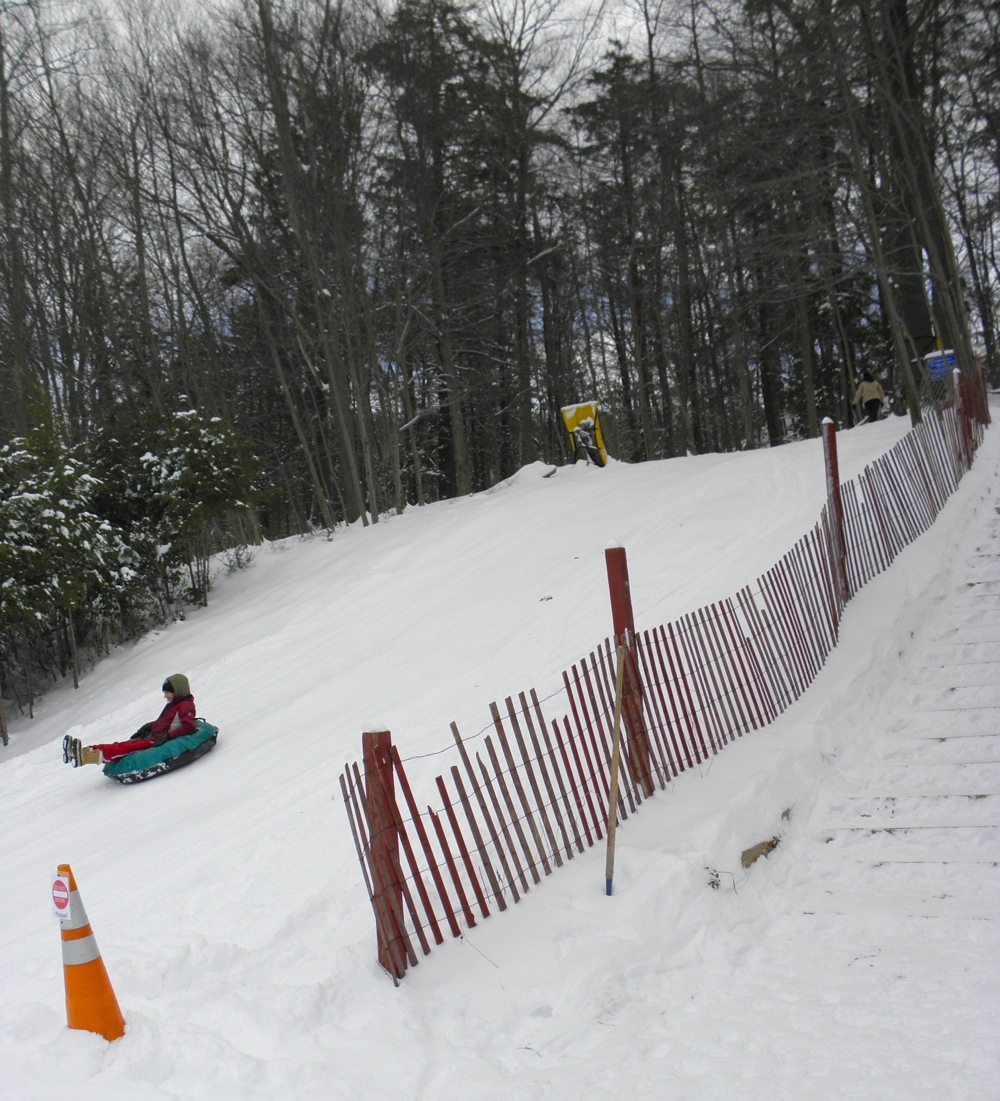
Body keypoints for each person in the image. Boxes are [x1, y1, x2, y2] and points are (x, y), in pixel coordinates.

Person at [63, 675, 197, 767]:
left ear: (178, 691)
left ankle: (86, 758)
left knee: (124, 748)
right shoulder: (172, 705)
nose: (165, 696)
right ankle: (82, 751)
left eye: (167, 692)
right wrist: (147, 726)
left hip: (156, 742)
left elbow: (189, 726)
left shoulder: (185, 705)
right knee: (120, 744)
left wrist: (168, 736)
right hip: (153, 737)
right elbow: (163, 722)